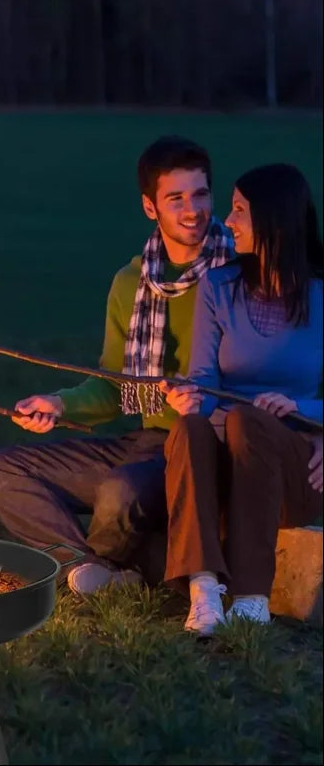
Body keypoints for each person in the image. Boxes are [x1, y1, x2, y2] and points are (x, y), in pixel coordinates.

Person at [0, 136, 235, 595]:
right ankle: (86, 567)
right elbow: (113, 387)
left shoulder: (239, 272)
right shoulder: (130, 283)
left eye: (201, 194)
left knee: (121, 493)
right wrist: (57, 404)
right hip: (146, 443)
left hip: (203, 447)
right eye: (175, 198)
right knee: (5, 471)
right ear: (149, 207)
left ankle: (111, 566)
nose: (192, 210)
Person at [158, 163, 323, 636]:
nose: (226, 222)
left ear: (274, 220)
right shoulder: (218, 286)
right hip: (226, 458)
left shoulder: (321, 296)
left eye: (239, 211)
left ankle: (251, 598)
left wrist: (302, 410)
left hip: (292, 467)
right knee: (189, 427)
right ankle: (204, 591)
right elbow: (204, 376)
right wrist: (191, 399)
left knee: (248, 421)